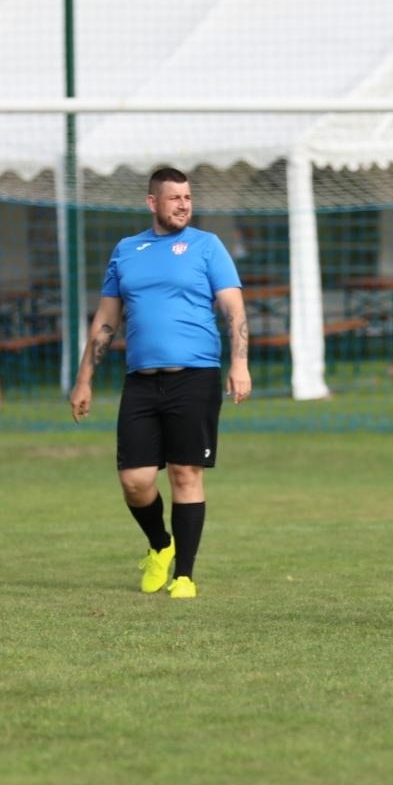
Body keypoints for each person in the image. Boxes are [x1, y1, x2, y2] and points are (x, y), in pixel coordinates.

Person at [69, 167, 251, 599]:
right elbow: (106, 321)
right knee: (134, 480)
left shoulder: (208, 246)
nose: (184, 205)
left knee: (185, 473)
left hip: (196, 377)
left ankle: (184, 575)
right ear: (153, 202)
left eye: (188, 197)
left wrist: (240, 364)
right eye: (175, 198)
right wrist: (84, 381)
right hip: (141, 383)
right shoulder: (126, 251)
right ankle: (160, 545)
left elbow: (235, 311)